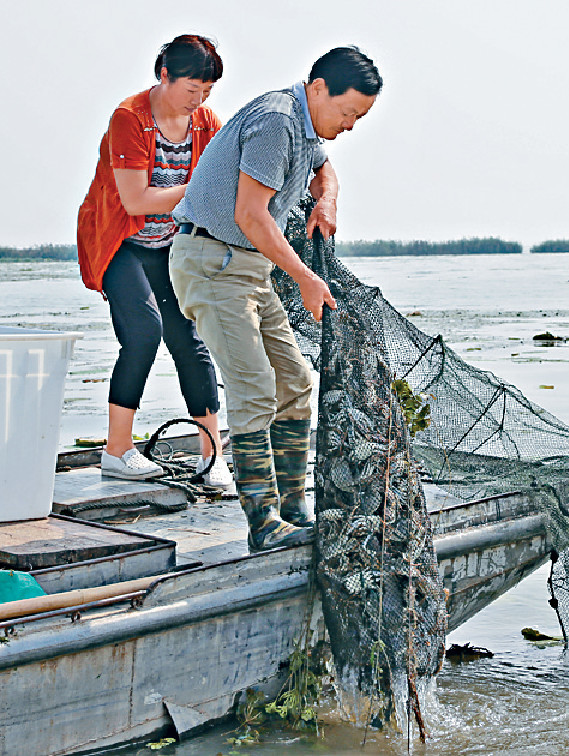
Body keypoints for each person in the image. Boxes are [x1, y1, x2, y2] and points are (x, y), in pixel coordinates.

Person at [169, 46, 382, 550]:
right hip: (212, 262)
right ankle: (263, 523)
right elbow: (250, 215)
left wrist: (326, 199)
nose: (350, 125)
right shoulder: (278, 122)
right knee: (255, 389)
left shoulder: (309, 128)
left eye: (360, 118)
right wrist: (306, 276)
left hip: (249, 268)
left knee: (295, 381)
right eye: (348, 112)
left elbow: (324, 170)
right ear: (319, 87)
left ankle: (293, 509)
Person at [77, 34, 232, 487]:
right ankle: (117, 452)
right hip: (119, 240)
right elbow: (136, 199)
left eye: (207, 92)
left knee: (191, 339)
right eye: (191, 90)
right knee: (144, 332)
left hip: (169, 244)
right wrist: (199, 190)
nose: (198, 101)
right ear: (164, 75)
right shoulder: (129, 118)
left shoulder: (206, 122)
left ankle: (212, 458)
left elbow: (230, 174)